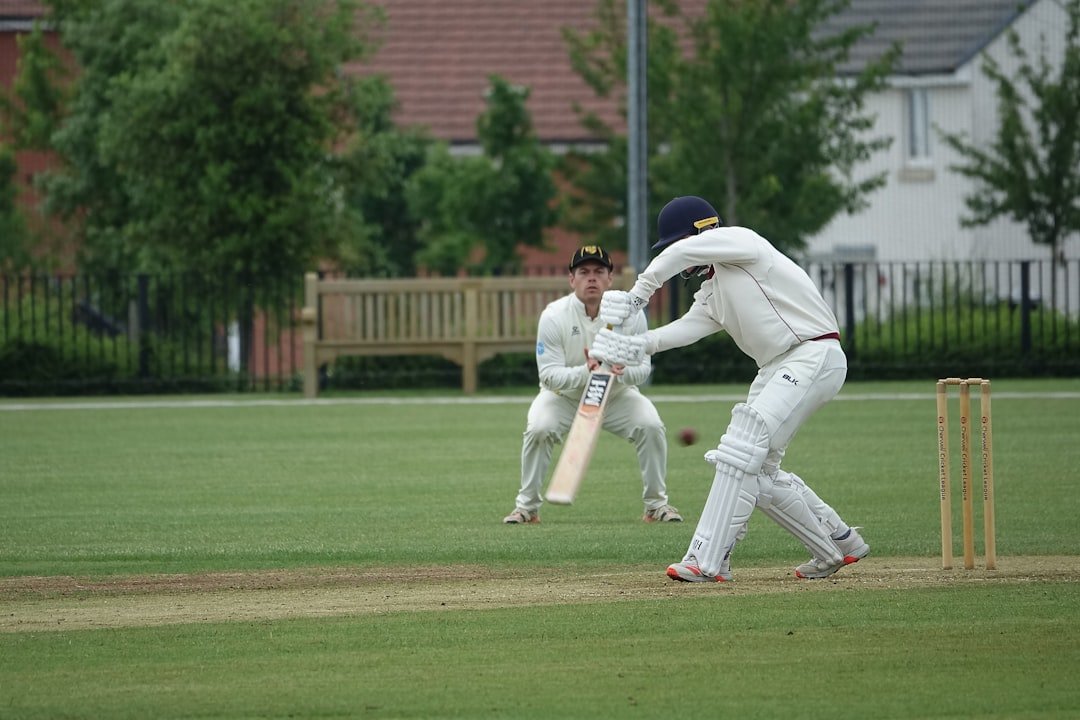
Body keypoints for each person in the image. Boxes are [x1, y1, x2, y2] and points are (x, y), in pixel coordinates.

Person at [596, 196, 869, 580]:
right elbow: (689, 327)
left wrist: (637, 297)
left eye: (676, 244)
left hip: (812, 353)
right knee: (760, 468)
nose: (680, 259)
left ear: (700, 232)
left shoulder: (742, 242)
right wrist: (639, 344)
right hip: (776, 367)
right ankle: (839, 543)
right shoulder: (713, 288)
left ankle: (706, 560)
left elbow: (683, 252)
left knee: (744, 445)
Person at [502, 245, 683, 525]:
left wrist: (621, 372)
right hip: (565, 397)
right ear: (571, 280)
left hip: (616, 395)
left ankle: (656, 506)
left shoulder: (630, 315)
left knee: (651, 426)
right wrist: (587, 372)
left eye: (599, 272)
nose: (592, 278)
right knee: (539, 429)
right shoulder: (554, 315)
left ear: (610, 279)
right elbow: (549, 376)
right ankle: (527, 509)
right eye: (583, 272)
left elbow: (643, 370)